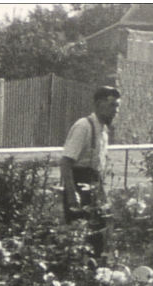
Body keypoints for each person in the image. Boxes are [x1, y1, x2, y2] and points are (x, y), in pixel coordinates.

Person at [60, 85, 121, 257]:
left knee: (98, 235)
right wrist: (72, 194)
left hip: (94, 184)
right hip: (78, 184)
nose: (116, 111)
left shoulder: (103, 131)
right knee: (78, 238)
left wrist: (103, 195)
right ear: (99, 104)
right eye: (112, 106)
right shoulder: (83, 126)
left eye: (118, 106)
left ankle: (95, 276)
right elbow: (65, 162)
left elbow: (98, 168)